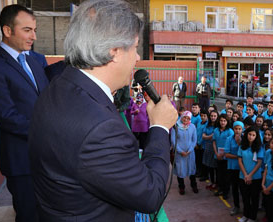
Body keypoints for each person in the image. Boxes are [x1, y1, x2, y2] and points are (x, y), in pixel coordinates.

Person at [28, 1, 178, 220]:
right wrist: (160, 127)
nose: (137, 58)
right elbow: (149, 194)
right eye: (135, 47)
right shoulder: (101, 128)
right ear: (114, 51)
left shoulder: (59, 84)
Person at [0, 5, 49, 222]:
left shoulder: (37, 60)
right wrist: (50, 131)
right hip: (21, 161)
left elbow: (48, 97)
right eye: (27, 30)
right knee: (29, 216)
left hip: (48, 157)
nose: (33, 36)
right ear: (8, 31)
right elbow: (7, 117)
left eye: (34, 30)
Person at [238, 127, 264, 222]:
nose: (251, 137)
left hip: (255, 177)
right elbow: (240, 161)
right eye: (249, 134)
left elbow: (259, 162)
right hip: (243, 176)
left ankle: (252, 217)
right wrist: (245, 174)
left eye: (253, 135)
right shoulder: (242, 146)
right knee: (245, 197)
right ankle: (245, 215)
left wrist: (250, 175)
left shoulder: (259, 147)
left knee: (254, 198)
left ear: (256, 136)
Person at [171, 111, 198, 195]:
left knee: (192, 170)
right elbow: (173, 141)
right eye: (184, 117)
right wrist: (180, 151)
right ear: (181, 117)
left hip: (190, 153)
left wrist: (189, 150)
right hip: (179, 154)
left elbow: (194, 140)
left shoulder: (192, 127)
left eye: (188, 118)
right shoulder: (175, 127)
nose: (186, 119)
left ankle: (194, 186)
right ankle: (181, 187)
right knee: (180, 170)